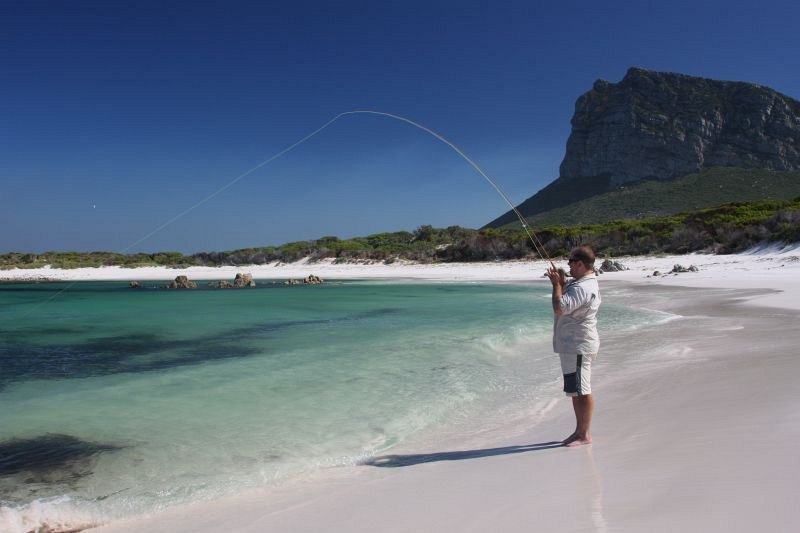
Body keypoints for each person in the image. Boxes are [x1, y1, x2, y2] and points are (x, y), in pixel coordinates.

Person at [546, 245, 601, 447]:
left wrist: (556, 285)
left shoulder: (582, 287)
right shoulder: (581, 283)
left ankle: (584, 434)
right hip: (574, 345)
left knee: (582, 390)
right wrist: (561, 283)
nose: (568, 265)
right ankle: (579, 431)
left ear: (579, 264)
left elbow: (560, 308)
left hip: (578, 346)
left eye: (570, 262)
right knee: (576, 390)